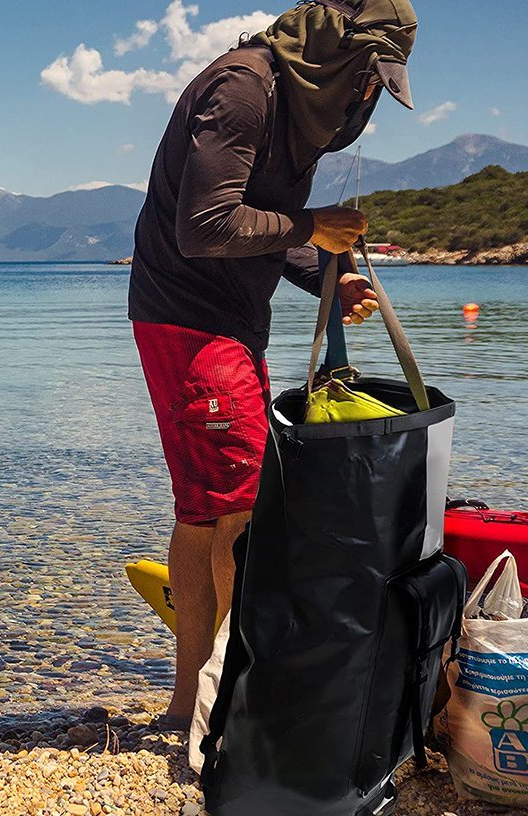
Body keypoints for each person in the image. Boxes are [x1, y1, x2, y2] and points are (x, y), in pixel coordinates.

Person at [128, 0, 418, 728]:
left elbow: (256, 227)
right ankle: (242, 708)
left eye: (377, 84)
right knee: (241, 513)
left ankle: (189, 707)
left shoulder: (295, 102)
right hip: (190, 321)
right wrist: (314, 227)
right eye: (366, 77)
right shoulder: (243, 89)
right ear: (333, 51)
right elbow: (206, 225)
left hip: (220, 322)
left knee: (203, 516)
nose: (367, 97)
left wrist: (325, 275)